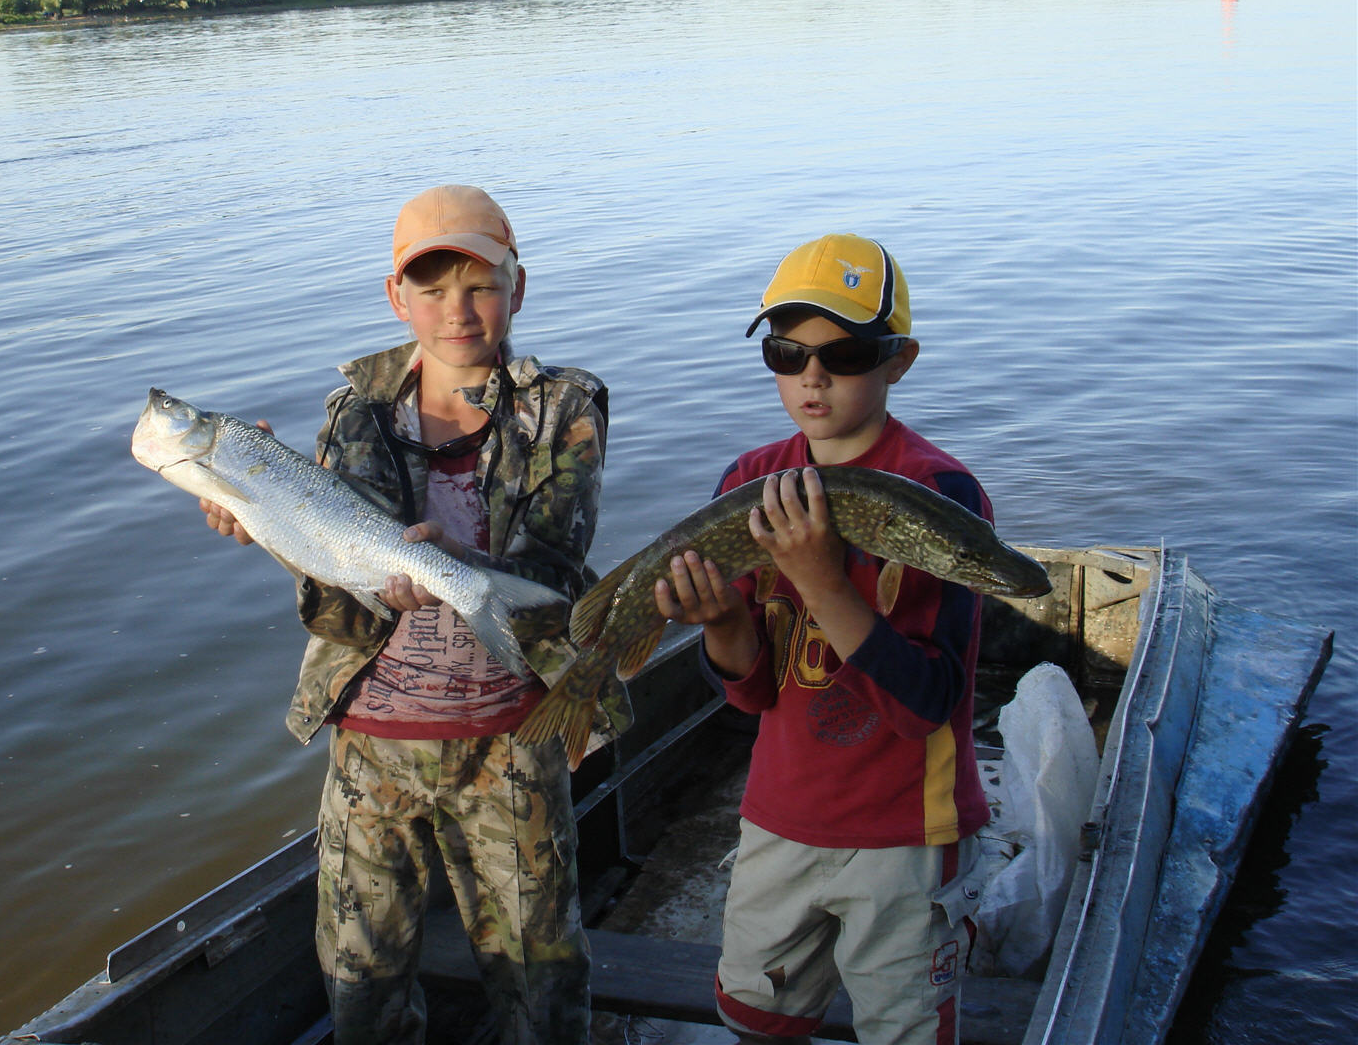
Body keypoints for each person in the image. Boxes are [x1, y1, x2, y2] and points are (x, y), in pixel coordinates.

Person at [201, 184, 628, 1045]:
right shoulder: (352, 413)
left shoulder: (565, 408)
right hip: (371, 742)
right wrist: (259, 513)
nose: (458, 310)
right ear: (397, 298)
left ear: (518, 287)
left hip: (513, 734)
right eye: (431, 289)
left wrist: (448, 566)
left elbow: (550, 570)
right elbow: (331, 594)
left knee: (541, 988)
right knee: (361, 992)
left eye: (480, 284)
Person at [653, 234, 989, 1045]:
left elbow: (931, 702)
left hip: (909, 832)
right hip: (780, 818)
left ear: (897, 360)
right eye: (786, 351)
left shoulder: (940, 494)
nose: (812, 375)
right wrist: (726, 623)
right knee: (756, 1020)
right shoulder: (747, 482)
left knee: (903, 1030)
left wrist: (822, 580)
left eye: (845, 352)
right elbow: (753, 689)